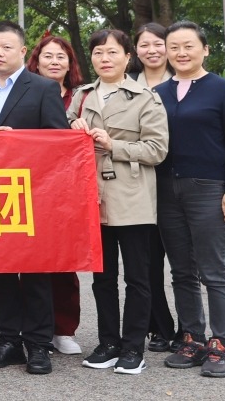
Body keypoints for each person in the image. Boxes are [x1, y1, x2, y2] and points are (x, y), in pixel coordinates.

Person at [0, 21, 67, 375]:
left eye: (6, 47)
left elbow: (59, 141)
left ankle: (38, 344)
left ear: (22, 51)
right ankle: (9, 340)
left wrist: (18, 139)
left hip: (30, 193)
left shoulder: (43, 88)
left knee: (35, 273)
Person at [67, 29, 169, 376]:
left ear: (128, 57)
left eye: (112, 52)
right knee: (102, 277)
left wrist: (114, 145)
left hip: (132, 195)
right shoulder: (82, 96)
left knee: (138, 278)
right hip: (92, 197)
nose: (104, 58)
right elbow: (63, 138)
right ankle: (108, 343)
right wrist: (73, 127)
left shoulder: (145, 98)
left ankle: (133, 347)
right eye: (98, 52)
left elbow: (157, 150)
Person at [156, 21, 225, 378]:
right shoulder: (158, 92)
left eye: (188, 46)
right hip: (166, 189)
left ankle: (221, 346)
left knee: (214, 272)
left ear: (205, 49)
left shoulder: (222, 90)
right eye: (174, 47)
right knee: (181, 272)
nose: (181, 53)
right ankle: (192, 338)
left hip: (208, 188)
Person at [26, 35, 85, 356]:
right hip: (31, 189)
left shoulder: (82, 98)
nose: (54, 62)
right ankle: (35, 328)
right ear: (35, 62)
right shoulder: (25, 93)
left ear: (70, 64)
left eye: (61, 56)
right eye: (47, 56)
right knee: (31, 264)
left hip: (69, 191)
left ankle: (63, 329)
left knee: (64, 264)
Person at [131, 23, 179, 353]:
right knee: (147, 263)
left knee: (183, 263)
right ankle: (160, 327)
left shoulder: (183, 82)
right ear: (135, 51)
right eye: (144, 45)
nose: (152, 50)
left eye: (158, 43)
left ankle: (190, 328)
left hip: (176, 178)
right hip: (138, 182)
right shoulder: (126, 84)